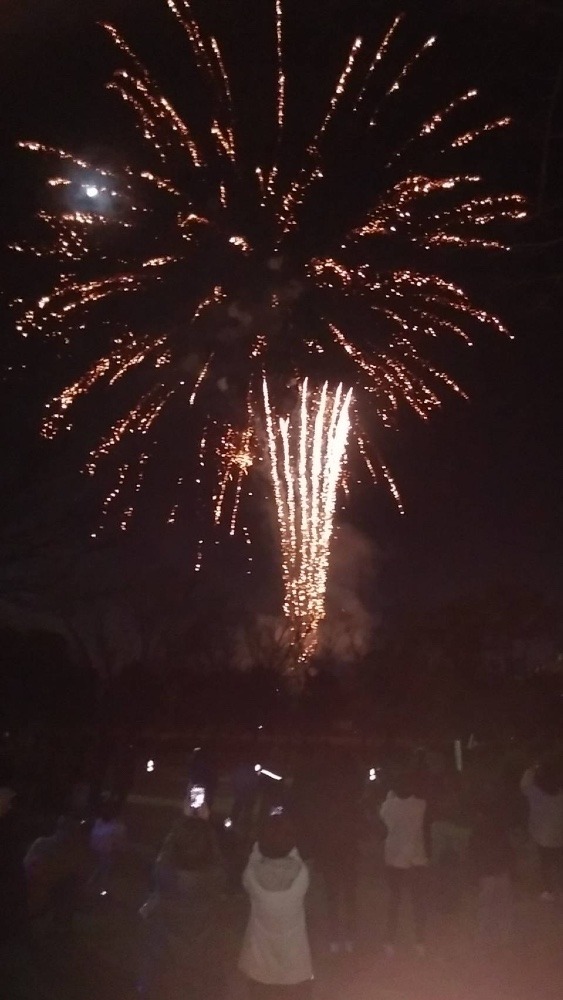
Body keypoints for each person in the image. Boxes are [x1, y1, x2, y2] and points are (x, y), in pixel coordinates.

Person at [138, 813, 224, 999]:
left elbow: (162, 858)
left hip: (165, 950)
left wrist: (180, 829)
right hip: (201, 949)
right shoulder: (215, 877)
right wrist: (204, 827)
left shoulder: (165, 875)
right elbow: (217, 857)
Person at [296, 745, 364, 954]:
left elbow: (318, 825)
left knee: (334, 896)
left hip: (333, 851)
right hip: (346, 851)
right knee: (348, 895)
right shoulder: (352, 799)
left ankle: (337, 938)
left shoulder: (326, 796)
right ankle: (347, 937)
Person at [239, 813, 313, 1000]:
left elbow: (253, 856)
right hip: (294, 961)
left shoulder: (251, 875)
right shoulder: (301, 875)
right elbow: (295, 855)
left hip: (259, 960)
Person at [380, 771, 429, 957]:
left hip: (394, 859)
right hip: (416, 858)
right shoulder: (420, 805)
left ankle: (390, 941)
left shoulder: (389, 806)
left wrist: (389, 796)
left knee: (394, 901)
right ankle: (419, 942)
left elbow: (383, 816)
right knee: (418, 902)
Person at [24, 814, 89, 927]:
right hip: (40, 887)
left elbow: (78, 873)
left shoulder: (73, 850)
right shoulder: (42, 844)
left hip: (57, 889)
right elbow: (28, 865)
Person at [469, 788, 514, 949]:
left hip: (488, 874)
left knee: (486, 907)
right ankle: (504, 937)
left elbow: (472, 855)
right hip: (501, 872)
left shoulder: (478, 831)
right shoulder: (500, 829)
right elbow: (509, 851)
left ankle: (483, 937)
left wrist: (474, 877)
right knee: (502, 905)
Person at [521, 757, 563, 900]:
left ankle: (548, 890)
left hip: (543, 837)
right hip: (559, 835)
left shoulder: (536, 794)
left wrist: (532, 768)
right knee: (559, 862)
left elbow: (524, 784)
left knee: (546, 863)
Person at [89, 799, 127, 892]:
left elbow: (119, 839)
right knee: (105, 867)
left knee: (104, 865)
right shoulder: (107, 825)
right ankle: (102, 888)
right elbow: (119, 839)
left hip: (104, 849)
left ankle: (94, 883)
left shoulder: (112, 826)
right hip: (103, 849)